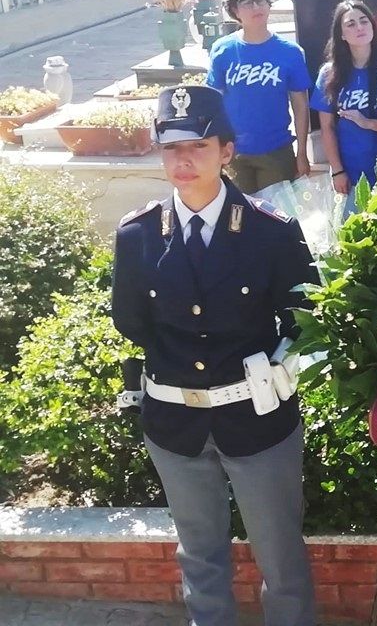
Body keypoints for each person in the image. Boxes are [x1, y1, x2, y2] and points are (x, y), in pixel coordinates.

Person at [111, 86, 318, 626]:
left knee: (281, 561)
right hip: (175, 422)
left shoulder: (270, 230)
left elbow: (305, 319)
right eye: (171, 146)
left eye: (199, 145)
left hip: (256, 419)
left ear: (227, 151)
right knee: (200, 557)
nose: (183, 160)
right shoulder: (136, 235)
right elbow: (131, 322)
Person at [207, 0, 312, 194]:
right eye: (247, 3)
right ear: (235, 10)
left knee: (273, 219)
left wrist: (302, 153)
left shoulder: (290, 53)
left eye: (260, 1)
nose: (256, 7)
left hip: (276, 151)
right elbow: (212, 103)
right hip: (233, 152)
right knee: (237, 220)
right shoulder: (223, 50)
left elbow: (300, 106)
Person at [312, 0, 377, 215]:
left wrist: (367, 123)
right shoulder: (329, 75)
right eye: (350, 24)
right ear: (341, 34)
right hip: (351, 173)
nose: (359, 27)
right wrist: (337, 170)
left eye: (364, 21)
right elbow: (326, 128)